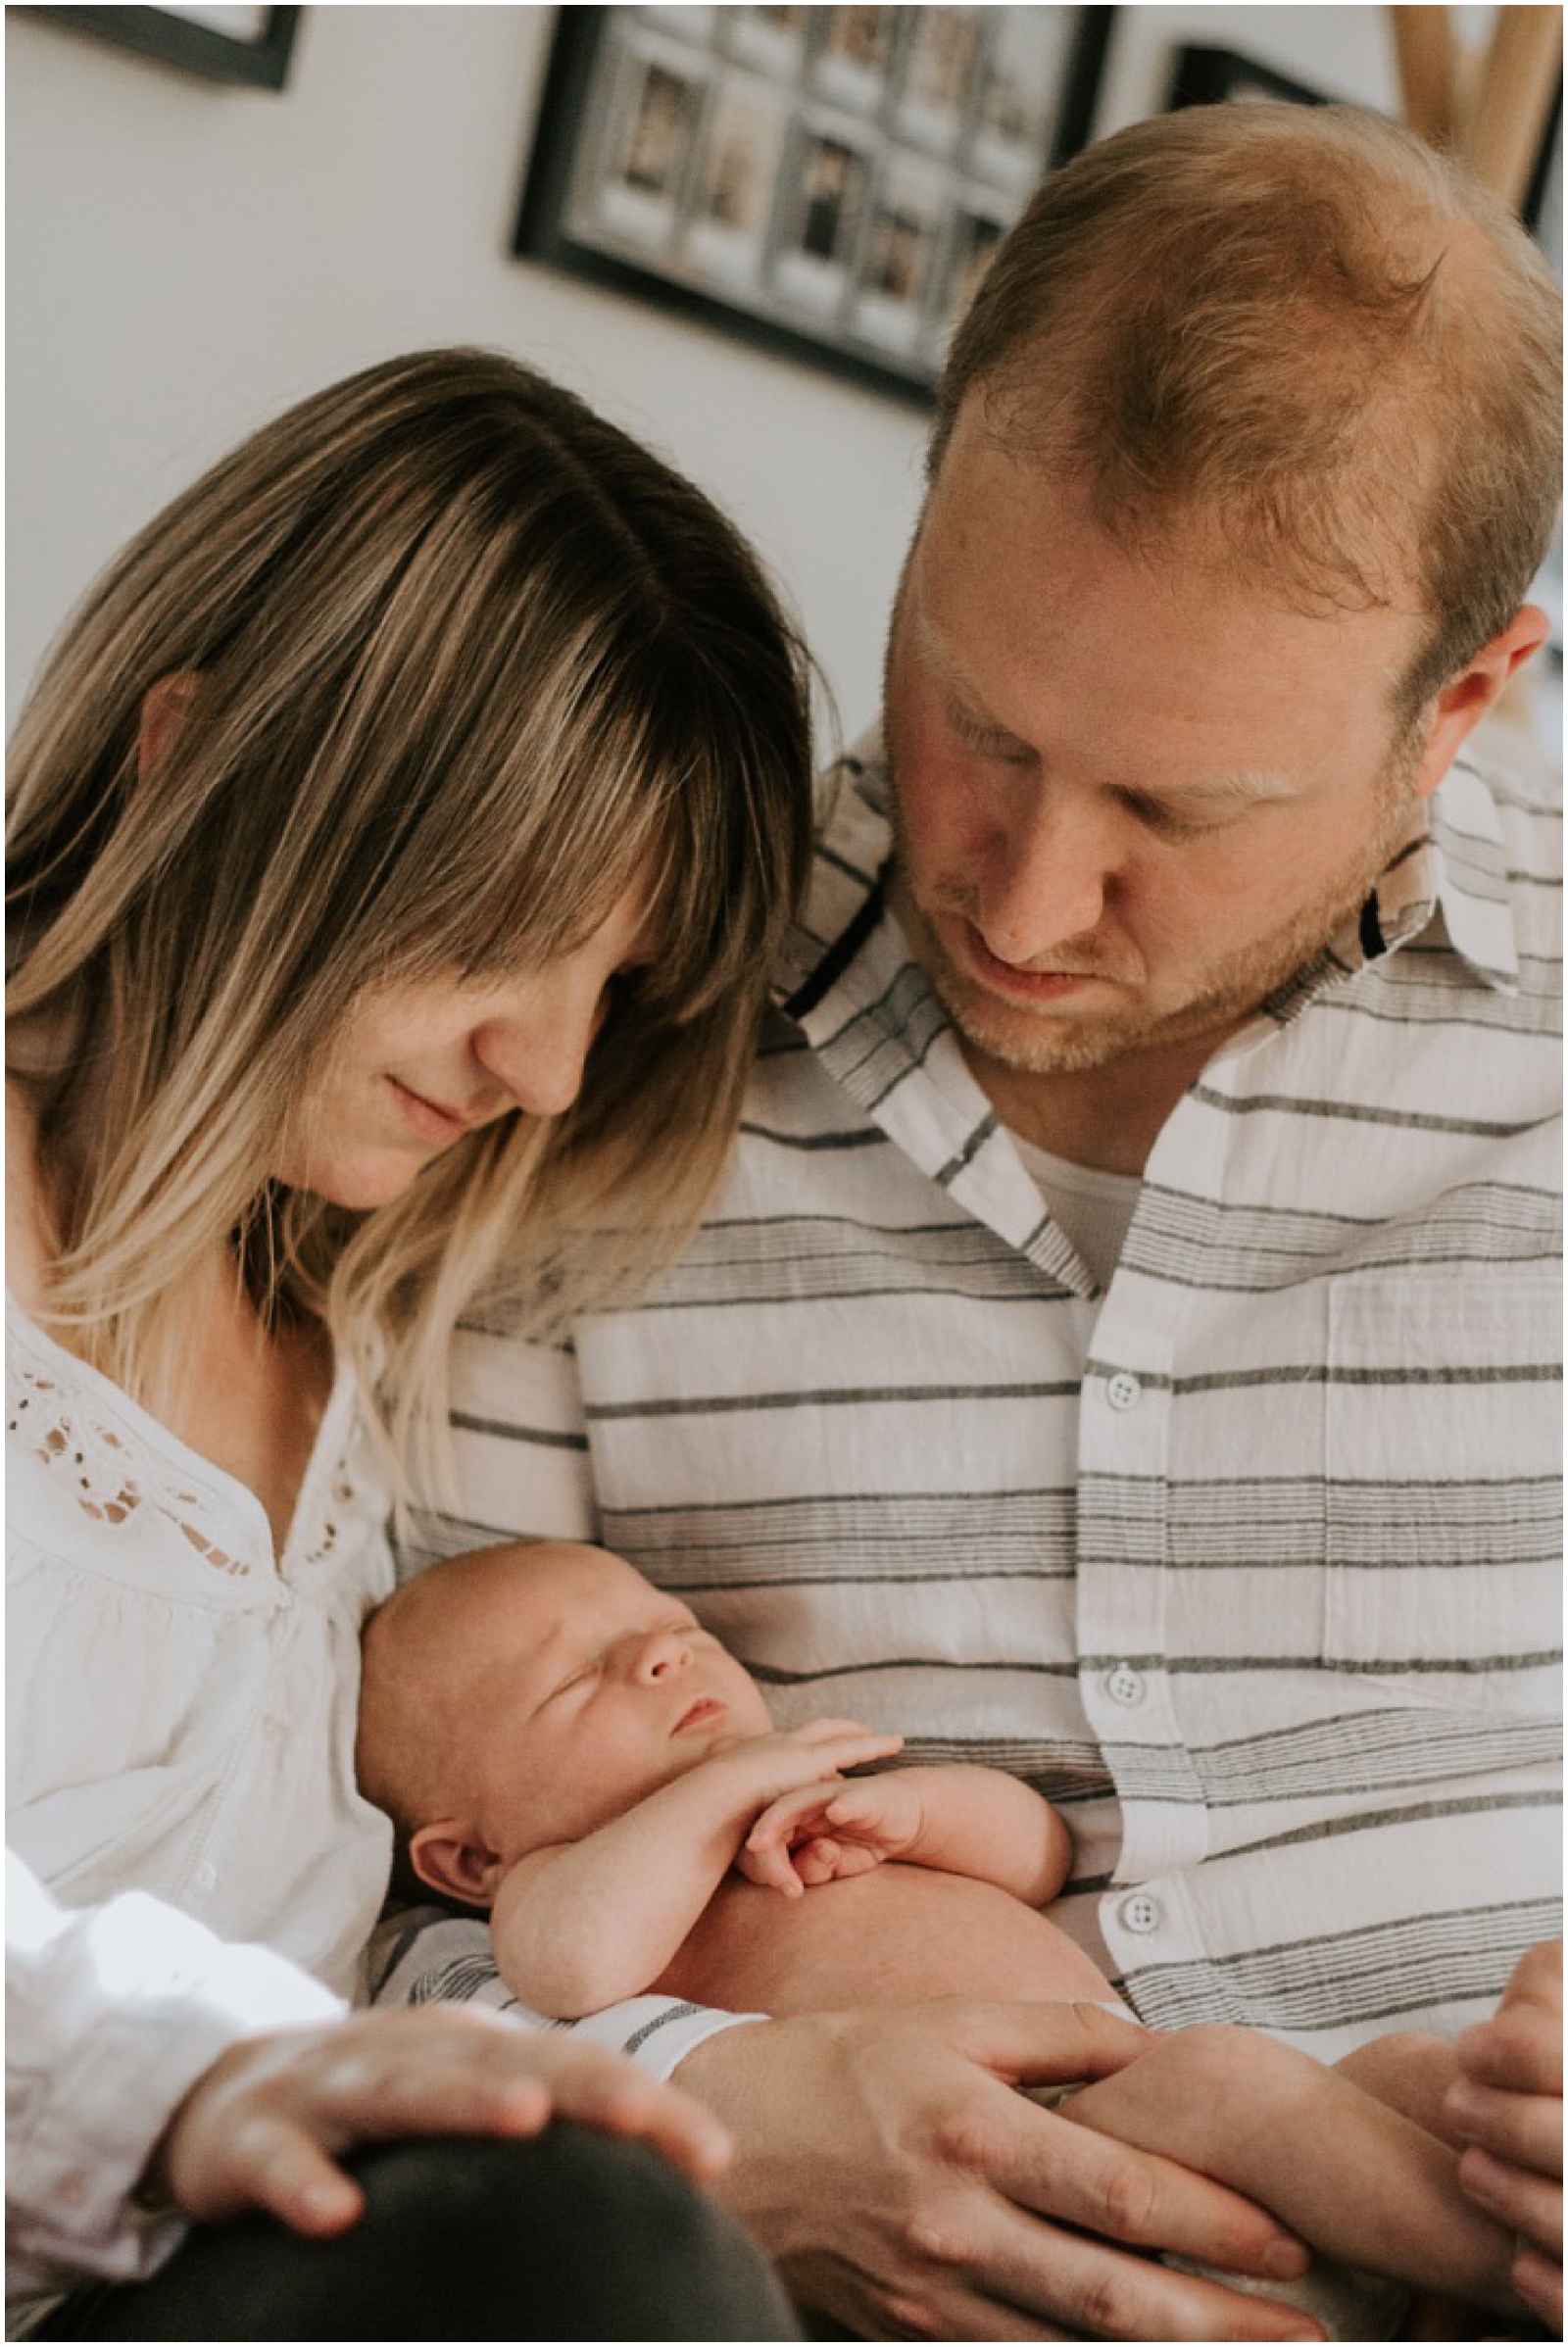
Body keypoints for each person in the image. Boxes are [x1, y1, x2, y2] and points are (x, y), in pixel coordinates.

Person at [376, 105, 1564, 2344]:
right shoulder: (582, 1037)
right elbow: (395, 1886)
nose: (1017, 894)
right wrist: (718, 2103)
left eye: (1170, 809)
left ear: (1461, 703)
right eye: (973, 718)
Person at [5, 347, 814, 2340]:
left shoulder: (371, 1375)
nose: (544, 1067)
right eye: (495, 936)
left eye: (605, 983)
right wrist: (180, 2082)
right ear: (192, 759)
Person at [357, 1537, 1538, 2338]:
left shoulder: (805, 1813)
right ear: (469, 1857)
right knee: (1224, 2073)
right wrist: (720, 1790)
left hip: (1171, 2151)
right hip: (1028, 2184)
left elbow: (1034, 1857)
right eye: (576, 1682)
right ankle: (1525, 2279)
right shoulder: (556, 1884)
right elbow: (570, 1967)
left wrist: (920, 1810)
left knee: (1409, 2074)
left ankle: (1466, 2281)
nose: (657, 1657)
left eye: (666, 1626)